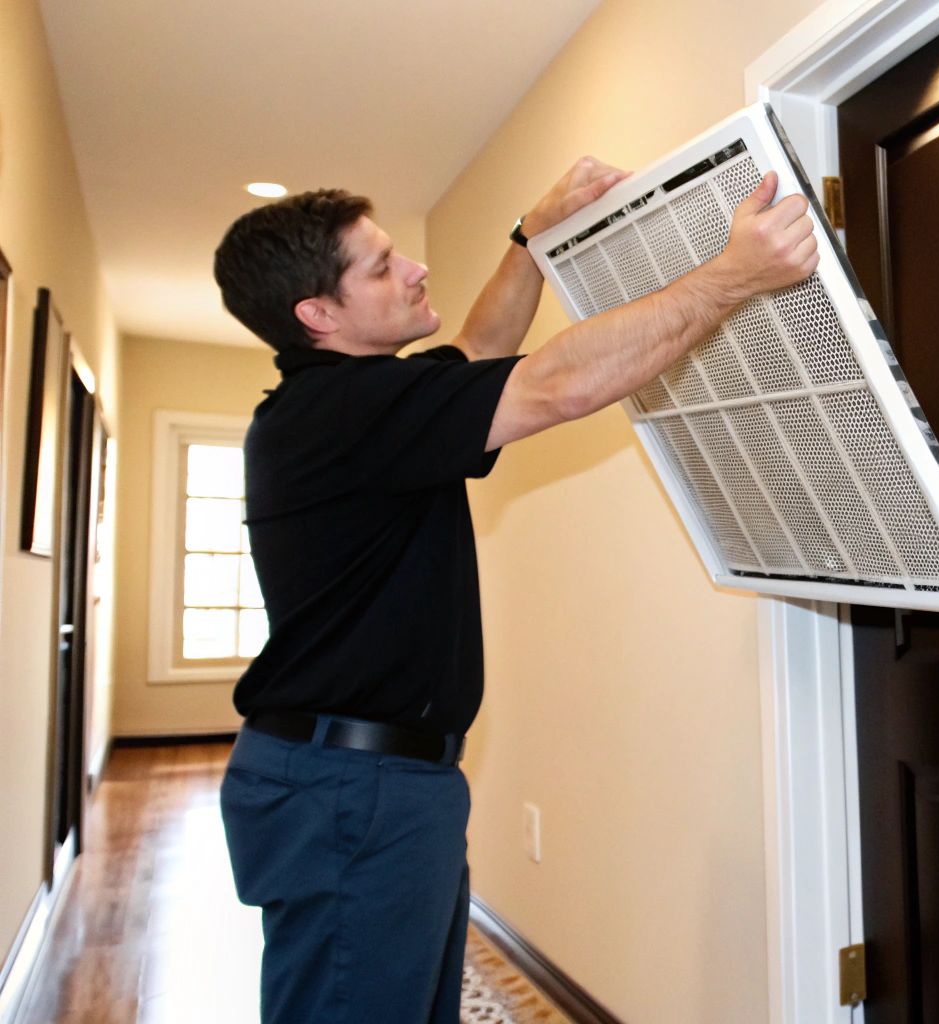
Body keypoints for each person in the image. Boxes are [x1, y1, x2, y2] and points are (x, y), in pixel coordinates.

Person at [211, 156, 817, 1023]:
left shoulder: (355, 404)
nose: (414, 267)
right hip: (351, 790)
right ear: (319, 314)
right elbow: (554, 383)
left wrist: (530, 240)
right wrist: (733, 276)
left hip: (365, 781)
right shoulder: (340, 412)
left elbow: (480, 352)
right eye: (381, 268)